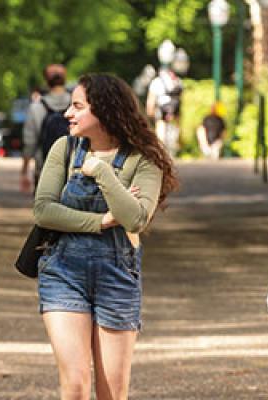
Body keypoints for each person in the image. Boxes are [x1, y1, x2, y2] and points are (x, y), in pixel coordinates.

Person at [34, 73, 178, 399]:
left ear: (105, 110)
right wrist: (100, 221)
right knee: (75, 386)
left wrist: (101, 171)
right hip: (63, 272)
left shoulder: (145, 159)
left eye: (77, 106)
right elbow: (44, 211)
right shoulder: (64, 148)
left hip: (117, 274)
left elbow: (135, 218)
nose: (67, 114)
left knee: (112, 392)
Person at [21, 63, 71, 192]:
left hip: (45, 168)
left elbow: (29, 141)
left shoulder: (36, 107)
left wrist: (25, 170)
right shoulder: (77, 104)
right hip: (73, 169)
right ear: (64, 78)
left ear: (46, 81)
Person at [146, 67, 183, 156]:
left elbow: (151, 99)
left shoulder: (157, 81)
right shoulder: (178, 80)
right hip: (175, 109)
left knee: (160, 128)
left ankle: (162, 152)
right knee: (174, 130)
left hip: (162, 108)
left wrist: (150, 112)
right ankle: (172, 151)